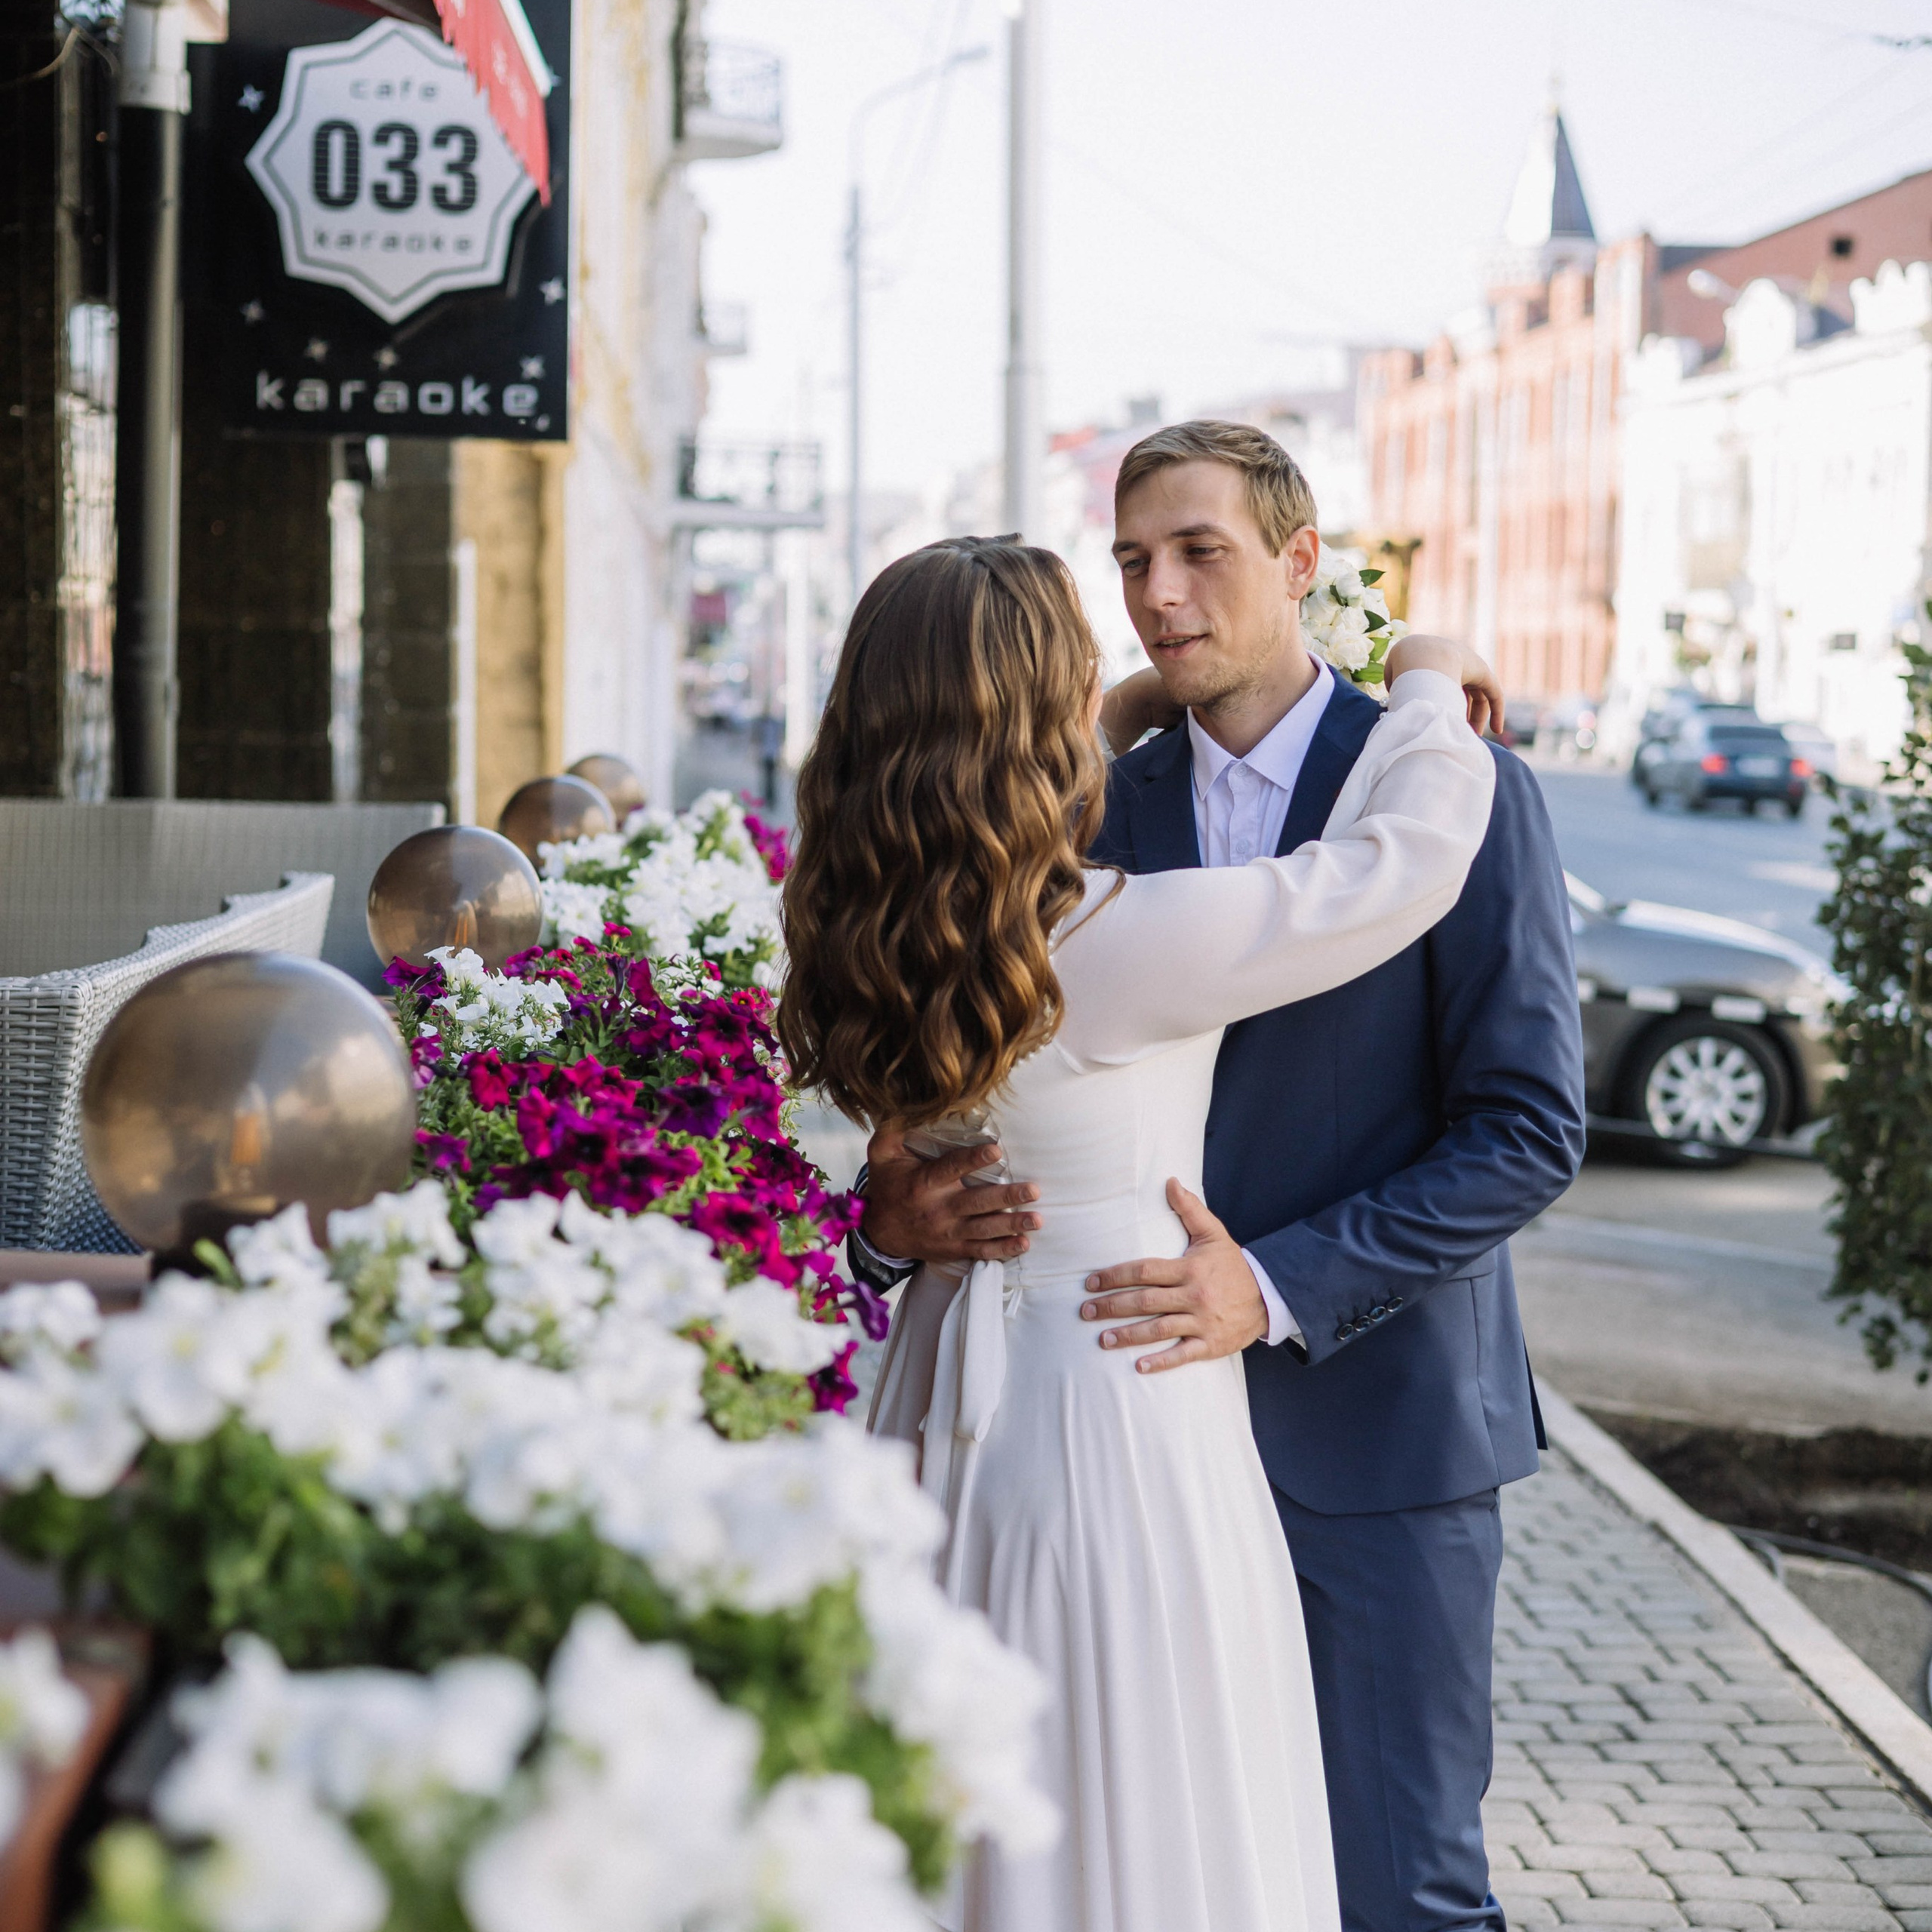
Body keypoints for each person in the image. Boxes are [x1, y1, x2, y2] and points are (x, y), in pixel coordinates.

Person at [854, 426, 1587, 1932]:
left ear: (1300, 563)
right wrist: (885, 1224)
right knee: (1142, 1864)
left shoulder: (1453, 788)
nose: (1160, 592)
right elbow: (926, 1086)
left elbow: (1524, 1128)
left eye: (1200, 552)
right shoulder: (1064, 810)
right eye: (1129, 561)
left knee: (1401, 1891)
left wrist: (1266, 1285)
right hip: (1107, 1443)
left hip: (1372, 1437)